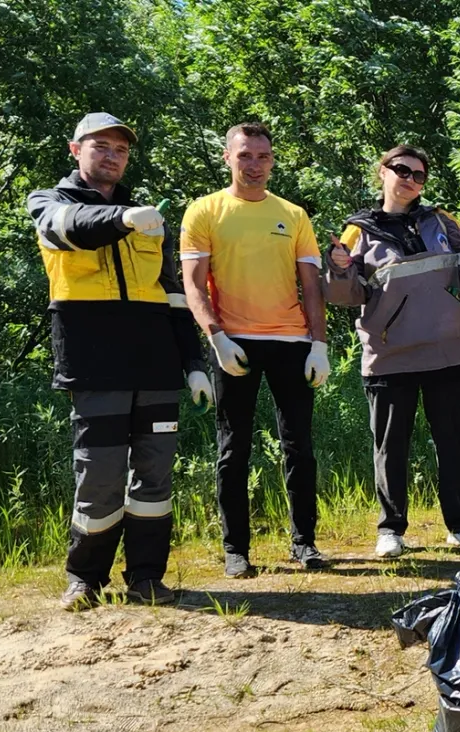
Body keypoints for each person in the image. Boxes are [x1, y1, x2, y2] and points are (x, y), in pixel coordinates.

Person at [29, 111, 208, 610]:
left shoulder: (148, 215)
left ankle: (147, 577)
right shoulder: (51, 203)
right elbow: (69, 229)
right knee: (101, 475)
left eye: (121, 149)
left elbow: (172, 294)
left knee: (155, 478)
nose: (112, 156)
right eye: (101, 146)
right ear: (75, 149)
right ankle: (85, 578)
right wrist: (123, 219)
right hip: (95, 363)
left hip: (155, 367)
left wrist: (193, 362)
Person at [324, 144, 460, 558]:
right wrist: (337, 267)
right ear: (382, 171)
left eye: (419, 175)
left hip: (451, 353)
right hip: (389, 357)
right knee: (391, 448)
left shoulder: (441, 222)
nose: (410, 179)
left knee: (453, 443)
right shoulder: (358, 230)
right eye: (402, 170)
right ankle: (391, 530)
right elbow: (346, 296)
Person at [181, 120, 329, 578]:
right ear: (228, 157)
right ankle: (236, 550)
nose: (255, 164)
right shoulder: (204, 211)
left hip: (291, 342)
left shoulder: (294, 214)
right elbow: (192, 283)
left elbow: (312, 286)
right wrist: (216, 337)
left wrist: (319, 344)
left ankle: (304, 543)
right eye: (246, 155)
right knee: (233, 449)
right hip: (234, 343)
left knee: (299, 447)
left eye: (263, 156)